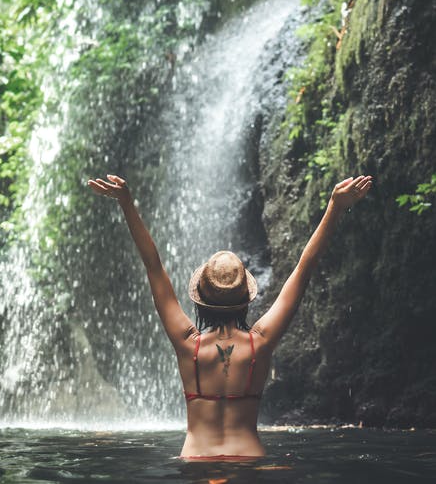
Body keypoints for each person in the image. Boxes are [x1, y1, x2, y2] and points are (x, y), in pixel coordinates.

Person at [88, 173, 372, 459]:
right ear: (245, 301)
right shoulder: (260, 343)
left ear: (200, 301)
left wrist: (126, 203)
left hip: (197, 461)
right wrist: (335, 206)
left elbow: (154, 266)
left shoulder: (189, 344)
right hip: (249, 459)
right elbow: (303, 269)